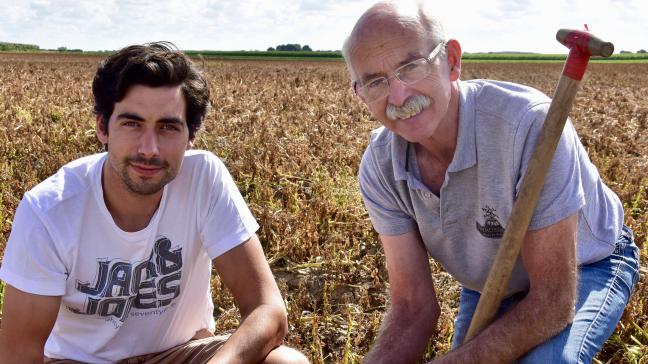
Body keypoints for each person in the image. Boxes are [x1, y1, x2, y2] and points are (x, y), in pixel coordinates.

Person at [342, 2, 640, 363]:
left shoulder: (528, 126)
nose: (399, 96)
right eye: (376, 82)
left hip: (587, 264)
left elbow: (552, 301)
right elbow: (411, 307)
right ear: (360, 93)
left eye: (411, 67)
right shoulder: (381, 166)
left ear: (451, 60)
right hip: (490, 277)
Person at [0, 42, 308, 364]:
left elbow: (267, 308)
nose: (149, 149)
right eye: (132, 123)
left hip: (179, 354)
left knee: (286, 362)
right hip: (80, 361)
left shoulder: (202, 179)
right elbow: (18, 354)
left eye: (168, 127)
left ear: (190, 136)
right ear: (103, 127)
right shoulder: (50, 209)